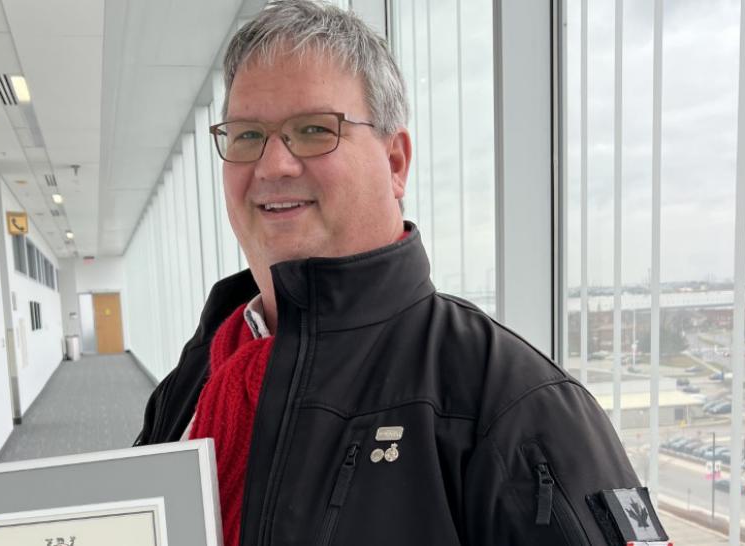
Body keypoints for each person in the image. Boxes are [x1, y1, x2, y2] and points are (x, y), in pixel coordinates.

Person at [135, 2, 666, 545]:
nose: (273, 166)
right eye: (248, 136)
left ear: (395, 163)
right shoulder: (200, 372)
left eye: (315, 129)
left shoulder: (512, 405)